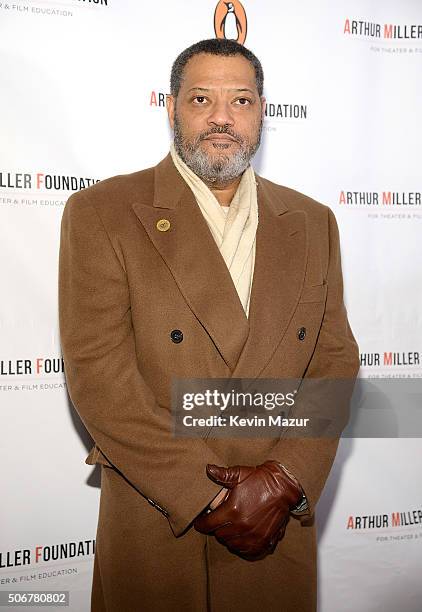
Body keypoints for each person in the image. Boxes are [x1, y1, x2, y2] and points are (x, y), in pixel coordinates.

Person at [58, 38, 360, 612]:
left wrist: (283, 478)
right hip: (159, 520)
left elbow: (335, 361)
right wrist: (206, 496)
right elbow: (100, 379)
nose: (222, 118)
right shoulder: (103, 213)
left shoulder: (313, 221)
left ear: (263, 113)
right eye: (202, 99)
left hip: (275, 527)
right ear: (171, 108)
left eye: (241, 101)